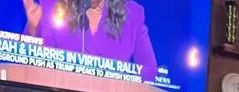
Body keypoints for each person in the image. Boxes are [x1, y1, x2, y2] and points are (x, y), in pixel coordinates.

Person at [22, 0, 157, 80]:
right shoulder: (53, 6)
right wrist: (33, 28)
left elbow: (149, 72)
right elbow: (34, 67)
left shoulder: (133, 14)